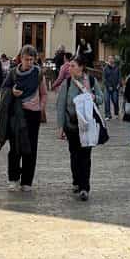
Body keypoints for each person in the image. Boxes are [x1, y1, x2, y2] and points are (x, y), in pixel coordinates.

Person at [0, 44, 47, 191]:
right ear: (21, 58)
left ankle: (27, 181)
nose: (29, 62)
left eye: (32, 59)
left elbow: (43, 93)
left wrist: (41, 107)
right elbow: (3, 91)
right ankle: (13, 179)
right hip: (16, 114)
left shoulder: (38, 73)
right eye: (26, 59)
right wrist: (12, 92)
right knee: (15, 147)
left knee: (31, 148)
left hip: (33, 115)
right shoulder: (13, 73)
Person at [57, 57, 101, 201]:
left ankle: (84, 187)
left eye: (73, 65)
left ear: (81, 67)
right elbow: (61, 105)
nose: (69, 68)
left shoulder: (92, 81)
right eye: (69, 65)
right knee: (74, 155)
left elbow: (101, 98)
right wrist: (60, 126)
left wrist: (94, 97)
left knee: (86, 156)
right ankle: (76, 180)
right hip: (72, 125)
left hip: (87, 126)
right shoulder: (67, 83)